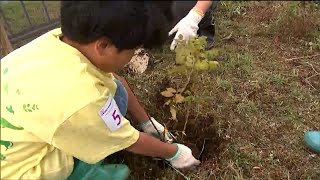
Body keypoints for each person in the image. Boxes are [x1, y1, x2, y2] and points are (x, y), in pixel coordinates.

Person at [0, 1, 200, 180]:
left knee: (117, 95)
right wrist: (173, 152)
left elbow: (113, 80)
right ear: (103, 46)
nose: (132, 56)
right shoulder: (82, 99)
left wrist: (146, 121)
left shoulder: (58, 40)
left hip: (22, 137)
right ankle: (83, 173)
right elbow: (128, 140)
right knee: (100, 124)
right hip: (20, 171)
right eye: (132, 49)